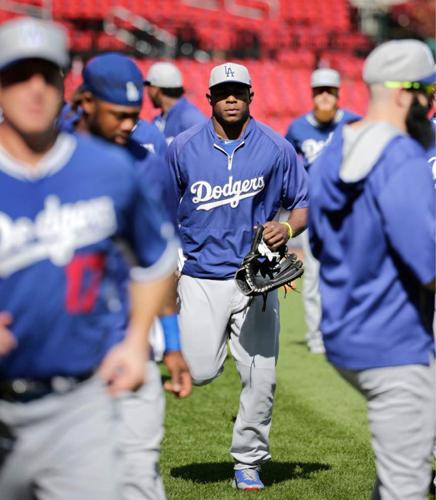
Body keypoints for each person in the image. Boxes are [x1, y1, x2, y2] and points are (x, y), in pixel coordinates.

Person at [0, 17, 179, 500]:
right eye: (19, 75)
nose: (35, 89)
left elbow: (157, 256)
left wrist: (139, 339)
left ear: (67, 86)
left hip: (77, 403)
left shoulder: (108, 169)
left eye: (48, 74)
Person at [167, 62, 308, 490]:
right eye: (223, 91)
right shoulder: (182, 147)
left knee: (261, 378)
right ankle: (216, 343)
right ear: (209, 98)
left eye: (239, 91)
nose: (231, 98)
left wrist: (286, 228)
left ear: (251, 96)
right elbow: (158, 206)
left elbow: (302, 202)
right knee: (201, 370)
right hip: (200, 275)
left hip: (257, 277)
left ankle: (249, 460)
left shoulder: (276, 147)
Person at [308, 40, 435, 499]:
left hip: (345, 337)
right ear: (407, 93)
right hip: (395, 346)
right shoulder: (403, 157)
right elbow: (430, 265)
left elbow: (319, 243)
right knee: (407, 486)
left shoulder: (331, 150)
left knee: (397, 472)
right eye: (430, 94)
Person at [76, 52, 192, 500]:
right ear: (85, 101)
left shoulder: (148, 160)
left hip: (131, 338)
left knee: (140, 474)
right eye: (118, 116)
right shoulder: (48, 153)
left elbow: (156, 259)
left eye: (134, 116)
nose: (129, 126)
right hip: (66, 346)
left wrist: (173, 343)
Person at [285, 68, 360, 354]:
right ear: (313, 95)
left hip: (350, 213)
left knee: (352, 273)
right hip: (315, 214)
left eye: (330, 90)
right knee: (315, 275)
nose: (325, 96)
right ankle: (317, 337)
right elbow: (288, 167)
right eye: (320, 91)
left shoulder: (354, 123)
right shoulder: (298, 128)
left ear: (338, 94)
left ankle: (349, 331)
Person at [145, 61, 206, 144]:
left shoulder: (189, 118)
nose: (147, 91)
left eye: (149, 86)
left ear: (155, 88)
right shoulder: (160, 119)